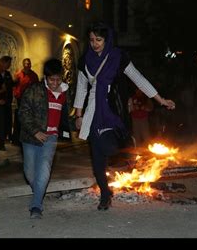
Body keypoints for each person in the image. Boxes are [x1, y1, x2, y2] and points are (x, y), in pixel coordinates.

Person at [73, 23, 175, 211]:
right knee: (97, 162)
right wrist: (78, 114)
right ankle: (105, 194)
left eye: (99, 40)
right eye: (92, 40)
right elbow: (81, 88)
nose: (94, 44)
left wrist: (160, 100)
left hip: (113, 109)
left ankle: (126, 144)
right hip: (93, 111)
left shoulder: (118, 57)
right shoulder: (84, 60)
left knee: (109, 147)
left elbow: (138, 78)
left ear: (107, 39)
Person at [19, 58, 73, 219]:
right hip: (30, 137)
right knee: (29, 172)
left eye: (58, 79)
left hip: (51, 137)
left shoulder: (65, 93)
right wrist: (35, 131)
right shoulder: (34, 90)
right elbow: (23, 112)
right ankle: (39, 191)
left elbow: (67, 116)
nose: (55, 83)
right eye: (51, 79)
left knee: (44, 167)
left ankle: (36, 206)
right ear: (45, 77)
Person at [12, 58, 39, 144]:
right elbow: (14, 86)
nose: (27, 65)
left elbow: (37, 87)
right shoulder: (18, 75)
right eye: (26, 63)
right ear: (23, 64)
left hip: (30, 101)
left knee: (29, 119)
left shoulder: (34, 75)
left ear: (30, 65)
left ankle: (28, 137)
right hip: (20, 100)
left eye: (29, 63)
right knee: (19, 119)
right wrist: (16, 94)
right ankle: (17, 139)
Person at [0, 56, 14, 149]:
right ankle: (1, 143)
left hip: (7, 102)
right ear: (2, 63)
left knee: (6, 122)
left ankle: (6, 139)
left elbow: (10, 86)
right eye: (8, 63)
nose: (9, 65)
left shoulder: (7, 74)